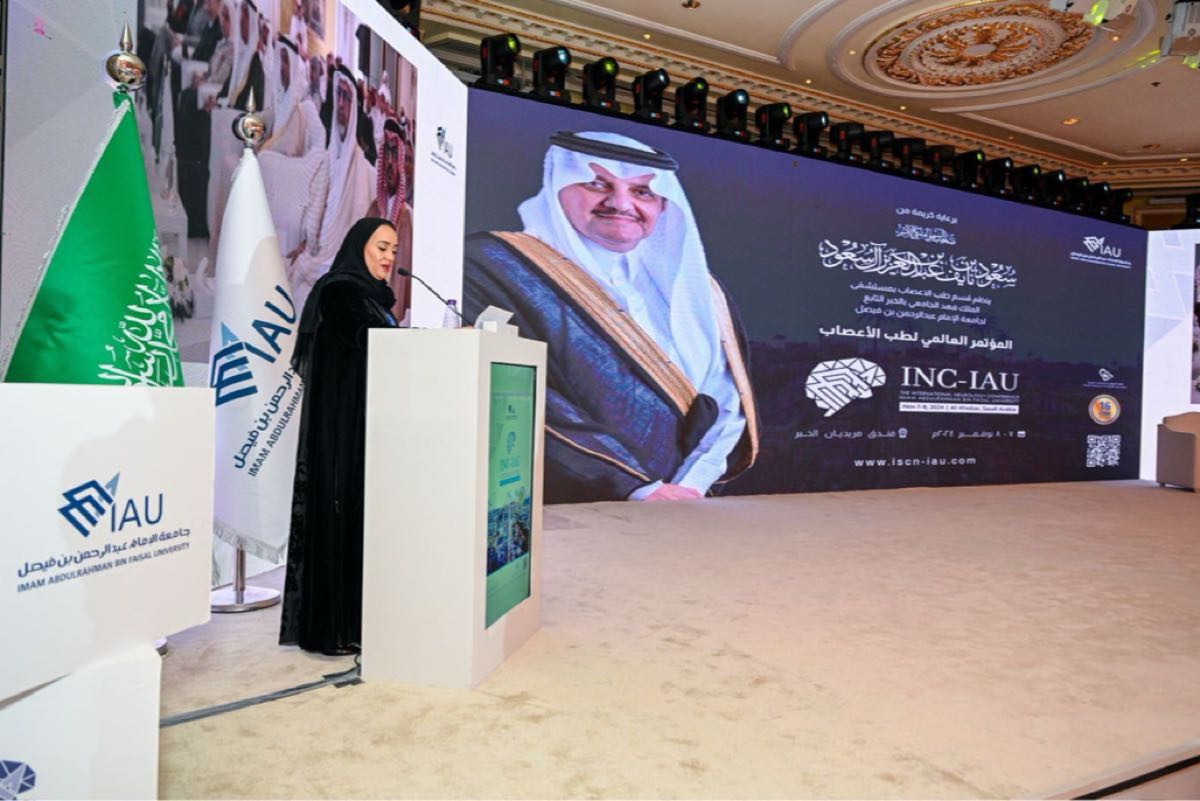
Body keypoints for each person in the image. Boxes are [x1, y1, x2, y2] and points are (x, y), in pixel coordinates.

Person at [464, 130, 758, 504]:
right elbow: (516, 393)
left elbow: (727, 396)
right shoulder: (493, 264)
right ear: (558, 187)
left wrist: (693, 483)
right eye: (596, 184)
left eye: (642, 192)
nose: (620, 203)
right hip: (570, 509)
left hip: (684, 505)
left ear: (663, 204)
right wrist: (640, 487)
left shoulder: (698, 288)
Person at [280, 218, 400, 656]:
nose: (389, 258)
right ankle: (331, 630)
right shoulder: (340, 291)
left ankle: (360, 621)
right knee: (338, 518)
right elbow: (372, 343)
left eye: (394, 250)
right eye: (382, 247)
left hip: (366, 424)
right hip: (341, 429)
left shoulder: (373, 296)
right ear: (358, 246)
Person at [286, 64, 377, 311]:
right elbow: (318, 210)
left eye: (347, 97)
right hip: (319, 251)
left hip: (339, 261)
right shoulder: (329, 158)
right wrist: (305, 244)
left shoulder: (364, 172)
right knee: (291, 268)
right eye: (339, 95)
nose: (342, 104)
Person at [365, 118, 413, 322]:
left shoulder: (405, 216)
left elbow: (400, 285)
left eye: (395, 154)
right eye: (387, 153)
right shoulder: (374, 208)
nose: (390, 163)